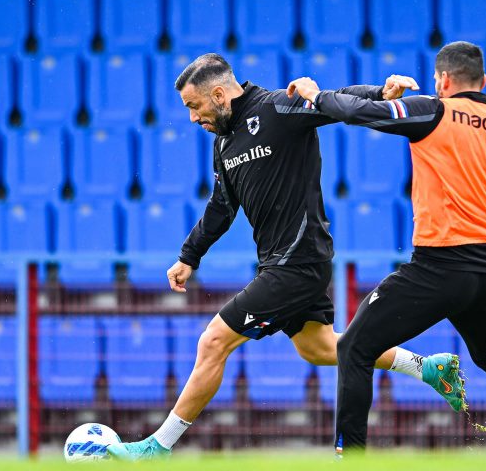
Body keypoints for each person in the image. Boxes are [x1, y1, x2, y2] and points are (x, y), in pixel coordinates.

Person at [107, 53, 466, 461]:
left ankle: (158, 447)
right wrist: (190, 255)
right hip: (286, 264)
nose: (192, 118)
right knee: (319, 348)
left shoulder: (277, 107)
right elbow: (222, 207)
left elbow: (333, 99)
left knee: (213, 342)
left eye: (195, 106)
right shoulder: (224, 142)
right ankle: (428, 367)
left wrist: (379, 93)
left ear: (220, 94)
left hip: (297, 263)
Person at [287, 41, 486, 457]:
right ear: (483, 81)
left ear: (443, 80)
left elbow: (358, 113)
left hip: (439, 266)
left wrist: (316, 95)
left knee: (354, 347)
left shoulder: (433, 109)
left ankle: (351, 459)